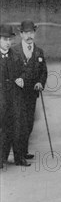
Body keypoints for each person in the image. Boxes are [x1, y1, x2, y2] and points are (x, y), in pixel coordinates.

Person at [12, 20, 47, 160]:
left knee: (29, 123)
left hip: (31, 94)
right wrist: (16, 79)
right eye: (26, 33)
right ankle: (18, 155)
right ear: (21, 34)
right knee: (19, 123)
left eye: (31, 32)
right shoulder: (13, 50)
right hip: (16, 94)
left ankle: (24, 151)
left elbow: (43, 71)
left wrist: (40, 82)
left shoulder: (39, 51)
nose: (29, 36)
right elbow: (8, 70)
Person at [0, 24, 27, 167]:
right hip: (1, 99)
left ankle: (19, 157)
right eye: (5, 39)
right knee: (2, 128)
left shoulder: (16, 56)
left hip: (15, 98)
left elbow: (23, 72)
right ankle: (1, 158)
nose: (8, 42)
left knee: (18, 127)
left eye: (10, 39)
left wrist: (22, 78)